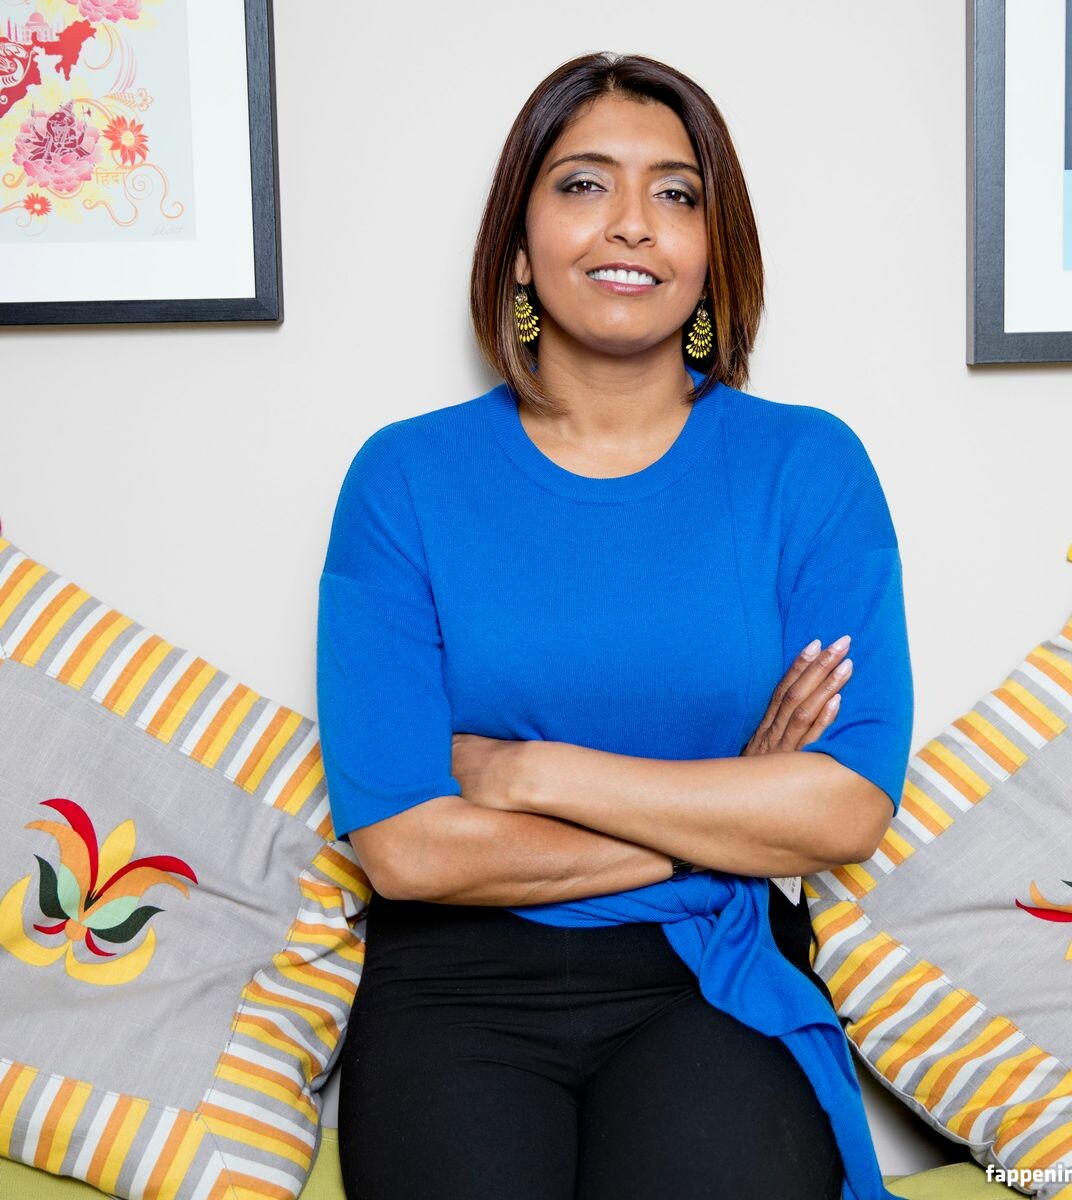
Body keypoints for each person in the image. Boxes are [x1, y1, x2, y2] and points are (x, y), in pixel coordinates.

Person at [316, 51, 914, 1200]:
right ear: (519, 242)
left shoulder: (808, 467)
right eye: (585, 184)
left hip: (709, 966)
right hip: (455, 987)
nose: (632, 222)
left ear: (713, 246)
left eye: (676, 192)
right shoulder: (405, 478)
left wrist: (529, 772)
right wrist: (729, 808)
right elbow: (406, 849)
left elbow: (844, 808)